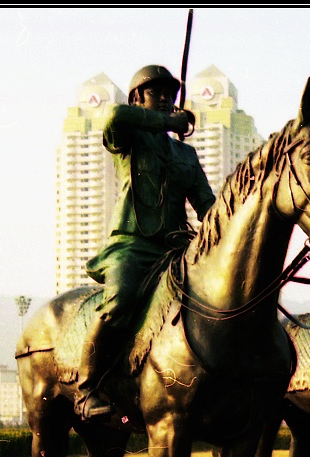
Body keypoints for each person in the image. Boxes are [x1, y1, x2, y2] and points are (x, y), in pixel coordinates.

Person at [76, 65, 216, 419]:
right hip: (132, 246)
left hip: (176, 251)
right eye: (157, 93)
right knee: (120, 300)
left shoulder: (186, 155)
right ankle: (87, 387)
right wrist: (169, 122)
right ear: (138, 98)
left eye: (171, 94)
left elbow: (207, 207)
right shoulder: (129, 137)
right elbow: (116, 114)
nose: (167, 99)